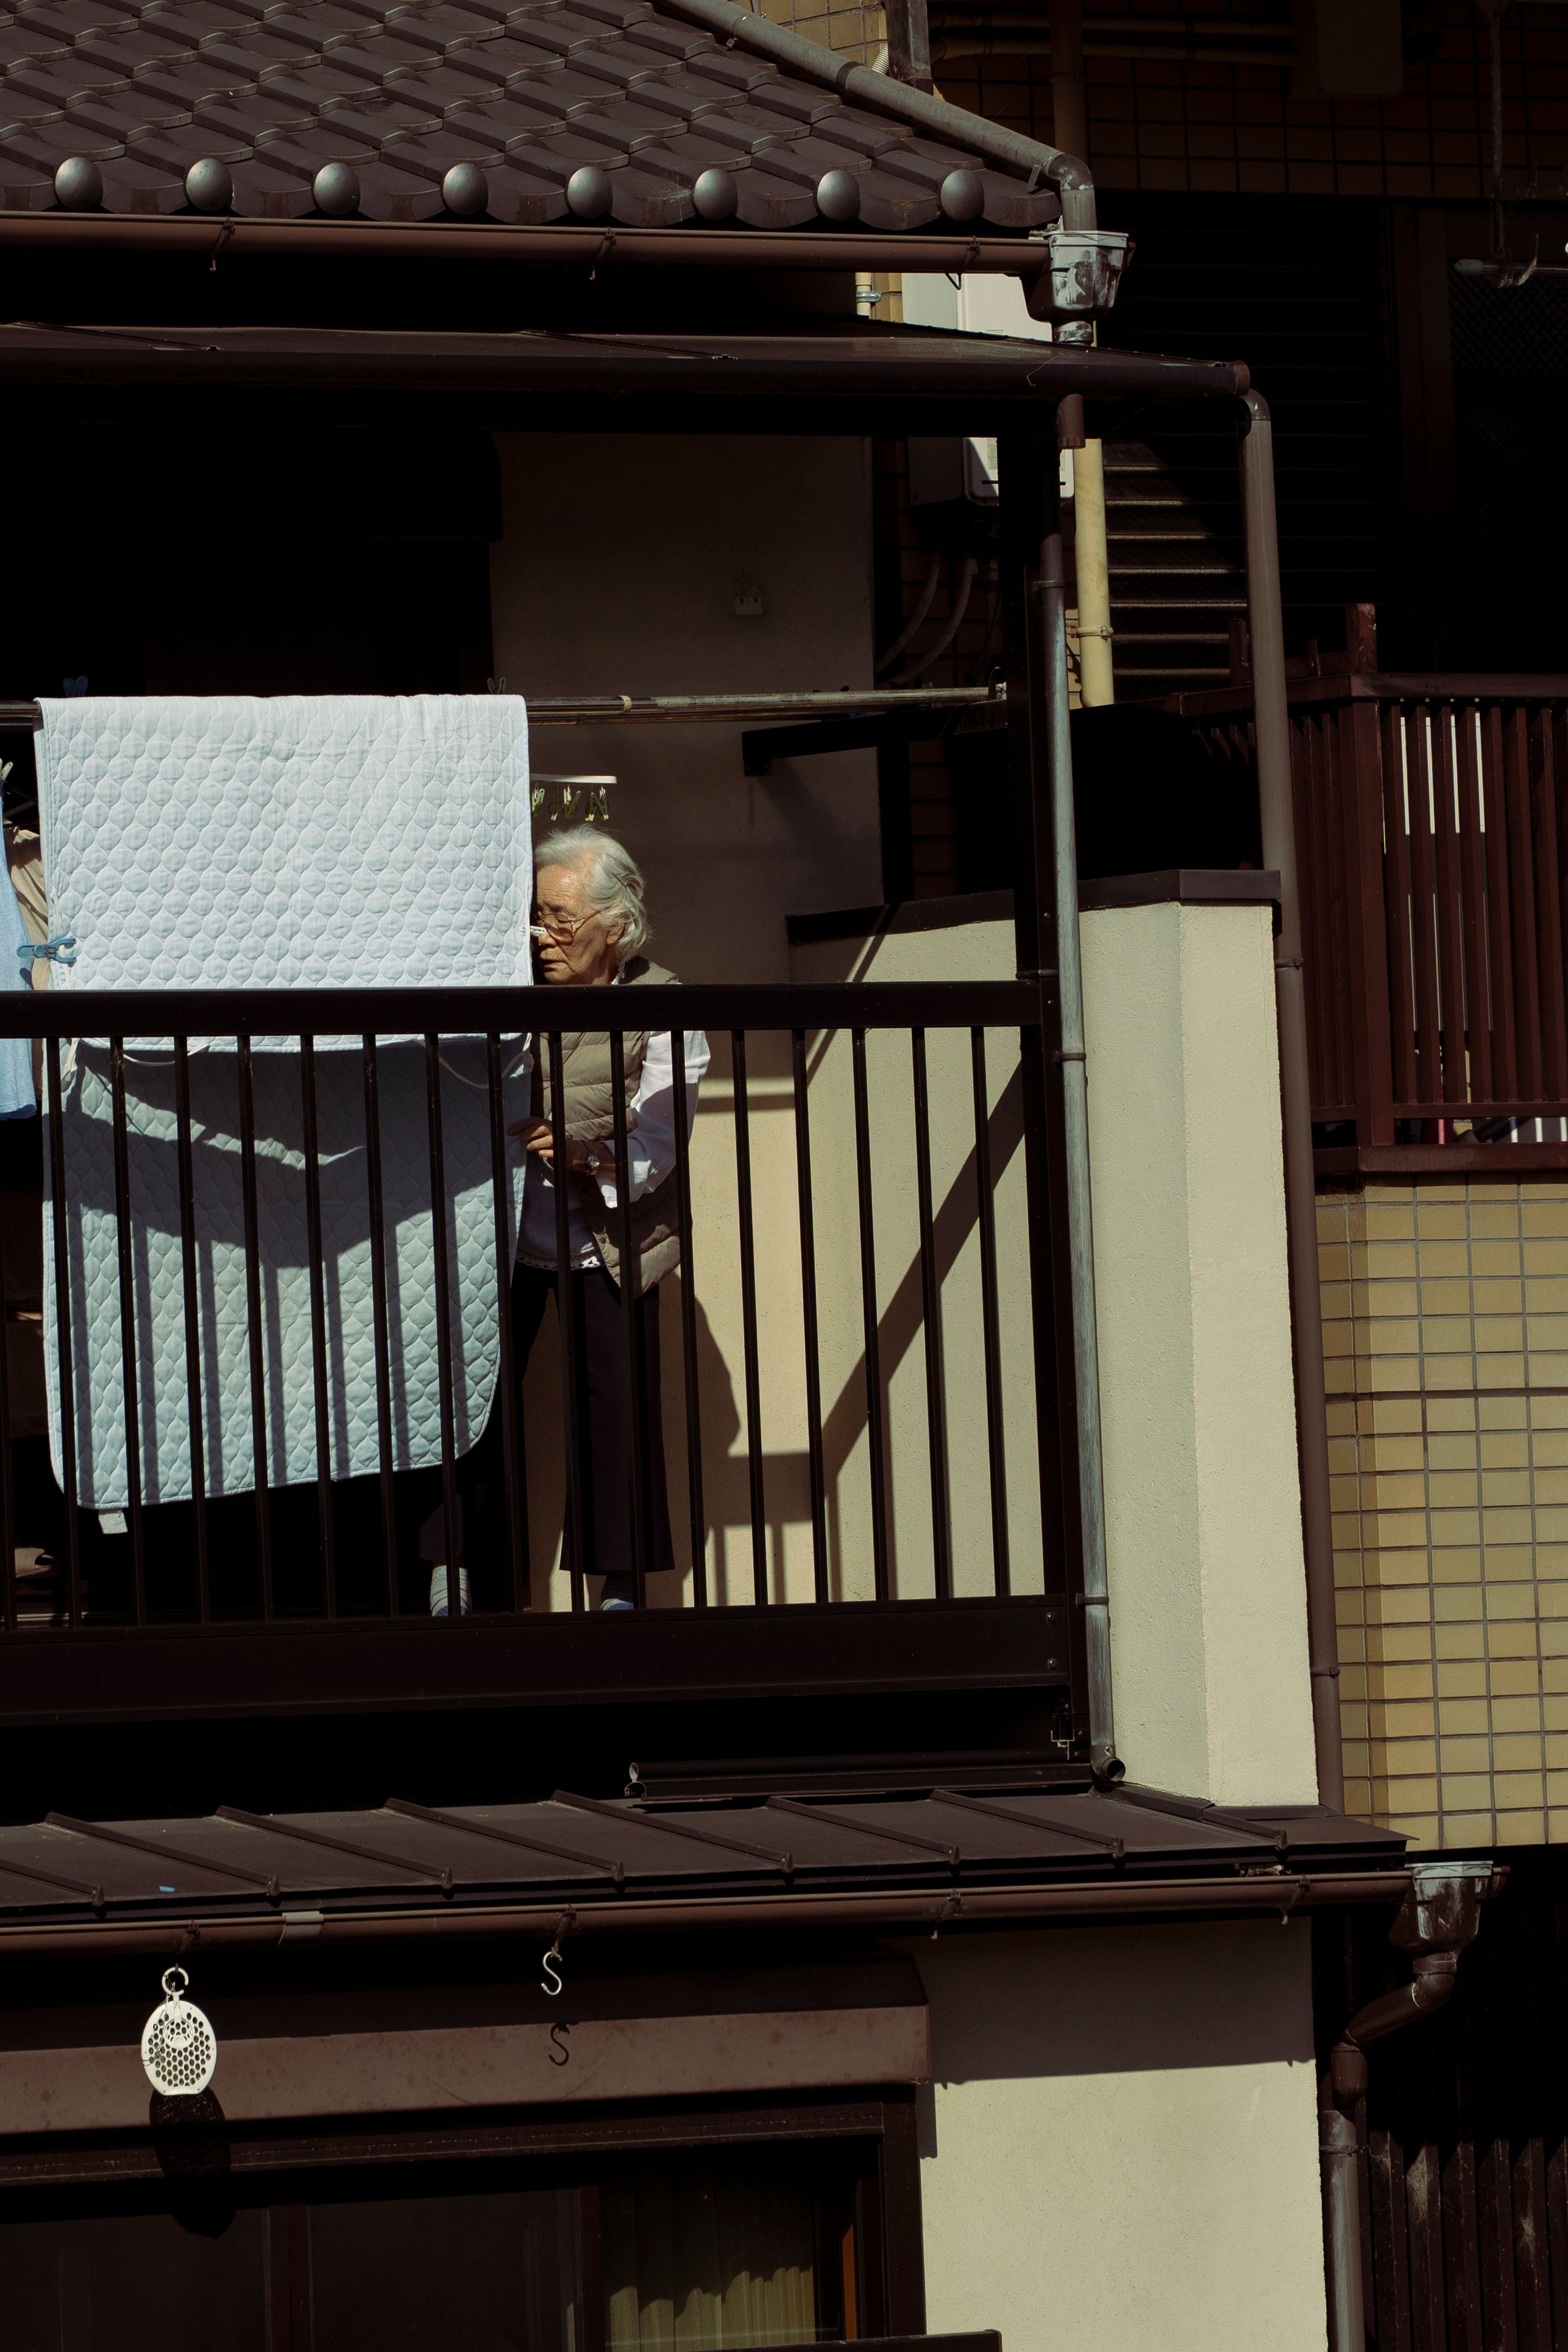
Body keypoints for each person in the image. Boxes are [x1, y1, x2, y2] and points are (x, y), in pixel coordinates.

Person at [419, 828, 709, 1613]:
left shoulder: (663, 1006)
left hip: (609, 1240)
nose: (542, 936)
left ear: (616, 923)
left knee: (617, 1408)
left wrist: (589, 1156)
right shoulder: (502, 992)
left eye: (561, 918)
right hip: (500, 1236)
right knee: (470, 1402)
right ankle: (455, 1572)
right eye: (535, 918)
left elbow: (662, 1141)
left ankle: (620, 1589)